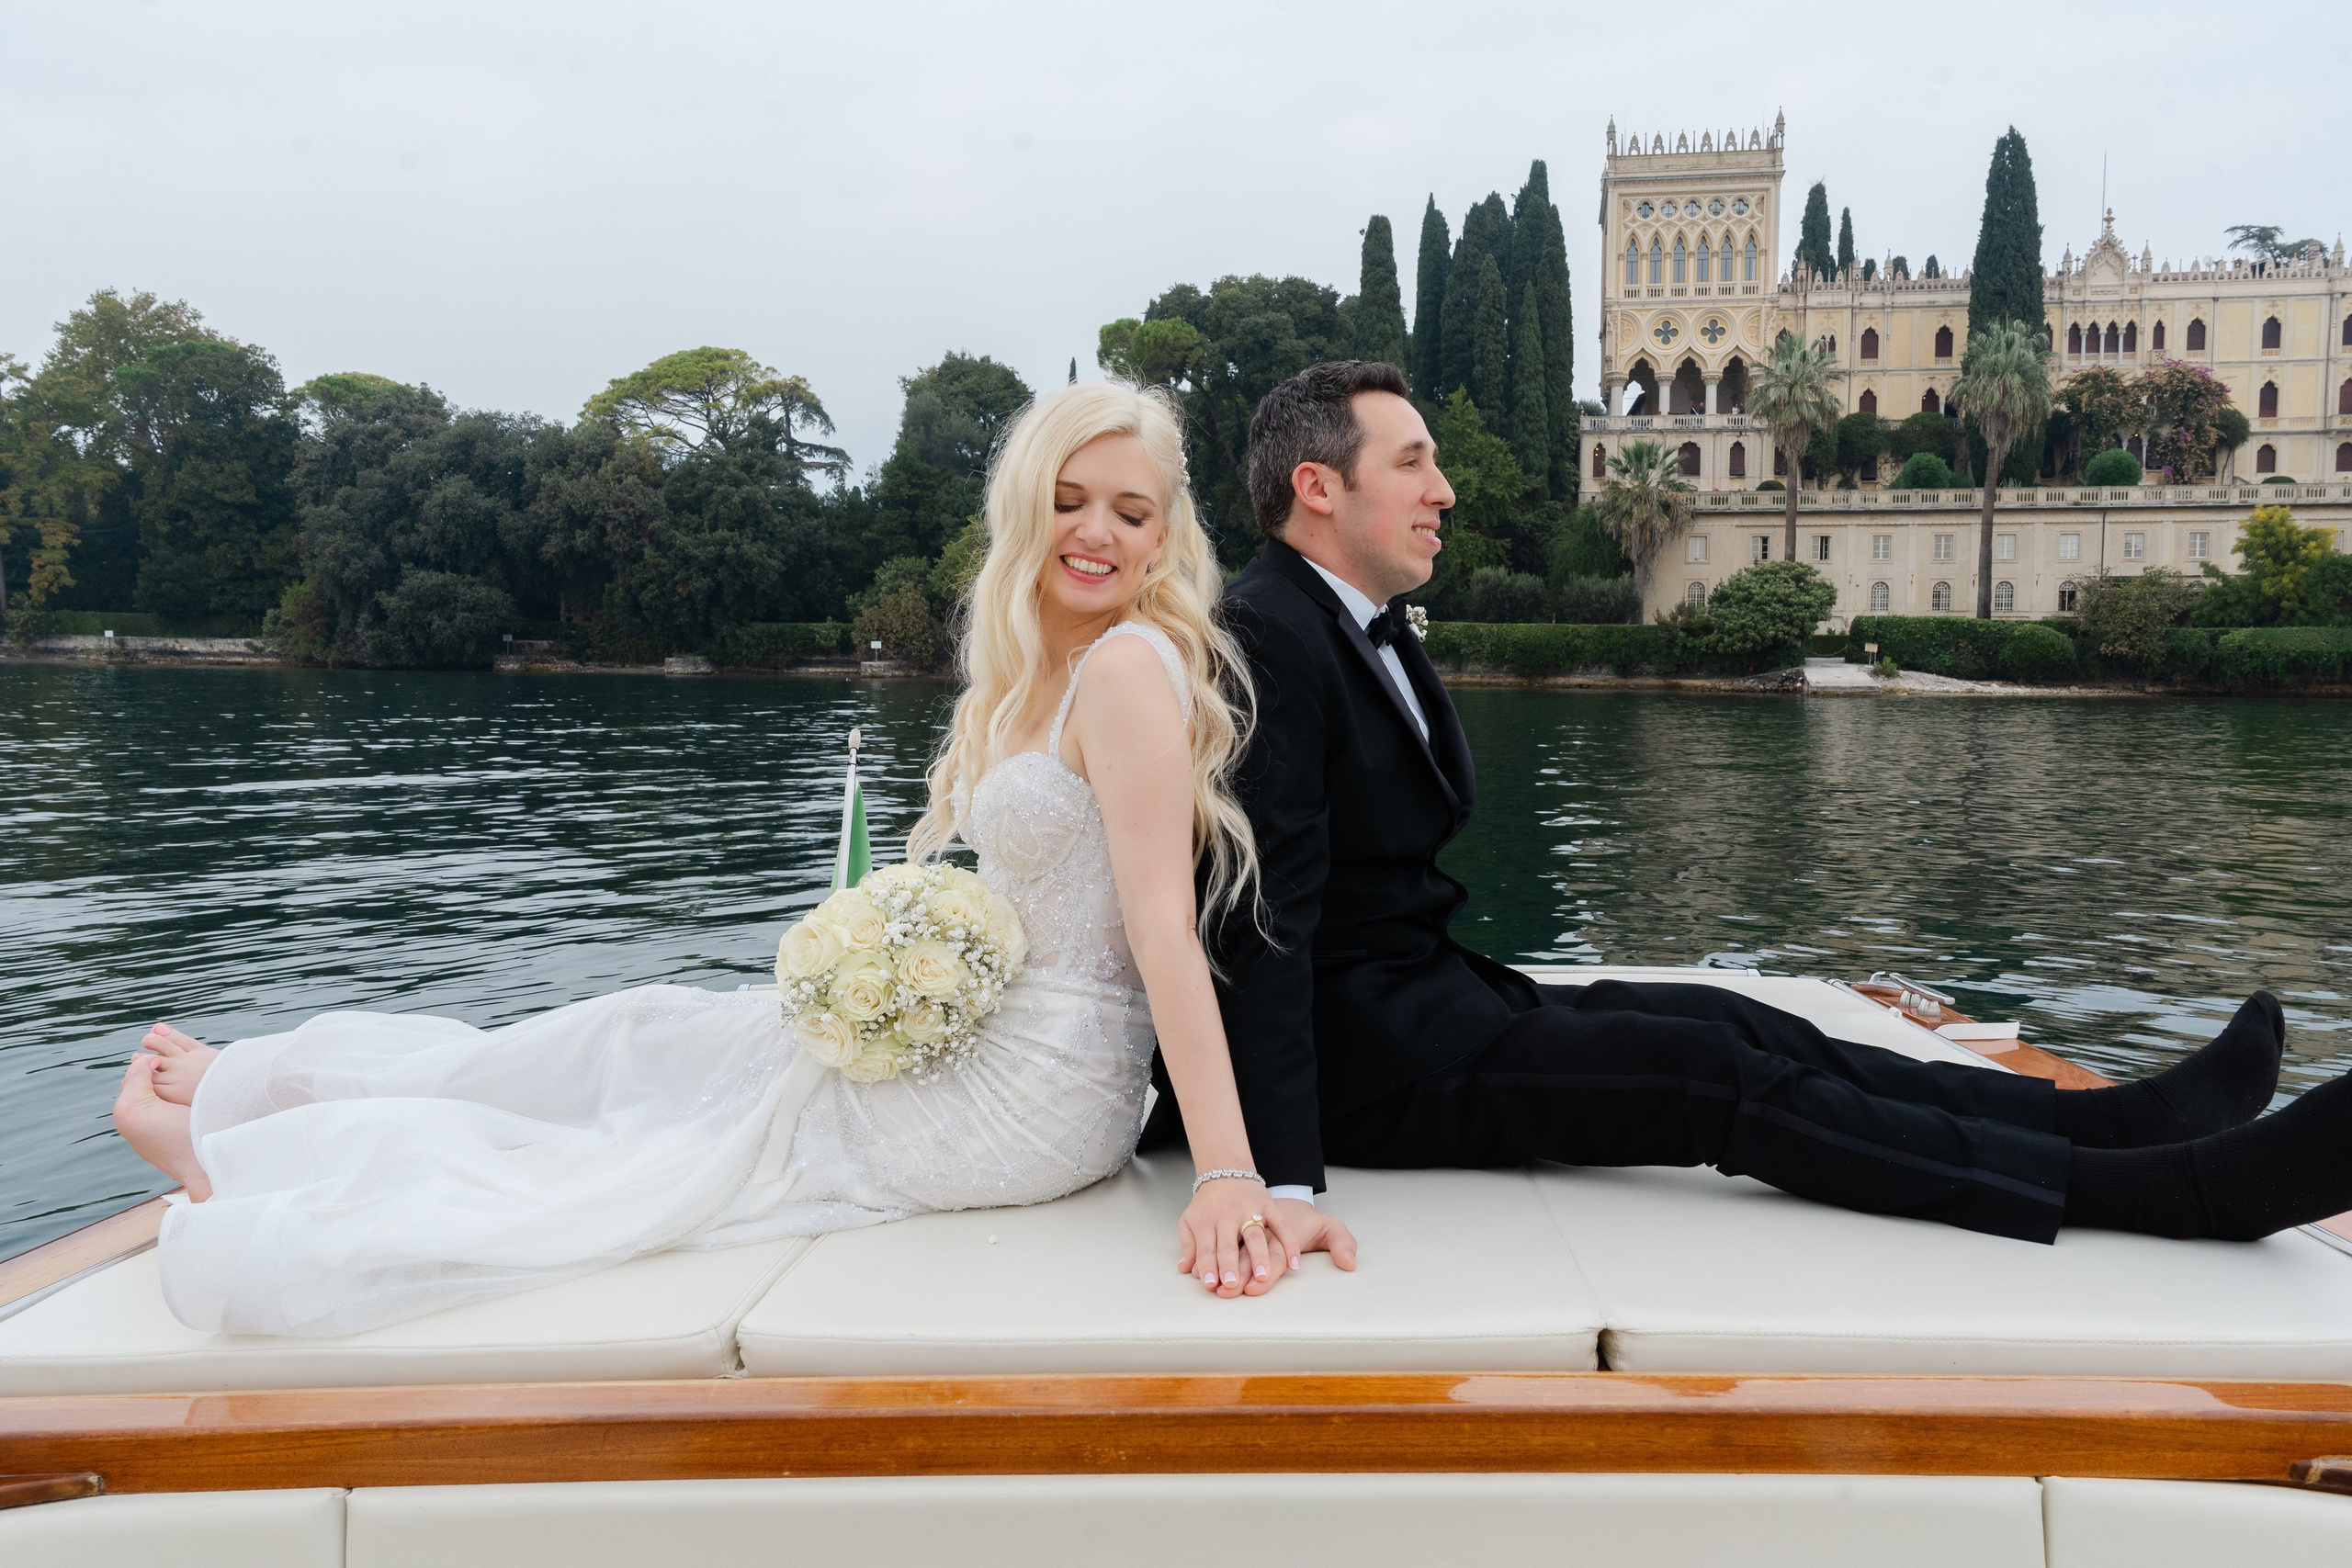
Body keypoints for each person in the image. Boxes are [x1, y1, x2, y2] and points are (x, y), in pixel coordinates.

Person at [112, 379, 1346, 1337]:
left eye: (1131, 513)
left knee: (667, 1122)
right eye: (1072, 500)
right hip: (999, 1038)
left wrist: (1233, 1175)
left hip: (1034, 1091)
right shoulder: (1040, 675)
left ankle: (247, 1139)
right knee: (645, 1033)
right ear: (1028, 505)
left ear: (1162, 534)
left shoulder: (1129, 667)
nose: (1097, 532)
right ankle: (259, 1107)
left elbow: (1159, 933)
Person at [1156, 357, 2352, 1248]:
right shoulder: (1269, 634)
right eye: (1413, 462)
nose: (1446, 489)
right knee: (1711, 1085)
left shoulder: (1347, 624)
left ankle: (2107, 1123)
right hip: (1377, 1068)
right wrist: (1282, 1180)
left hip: (1434, 1009)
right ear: (1318, 486)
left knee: (1747, 1024)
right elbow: (1263, 926)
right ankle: (2167, 1195)